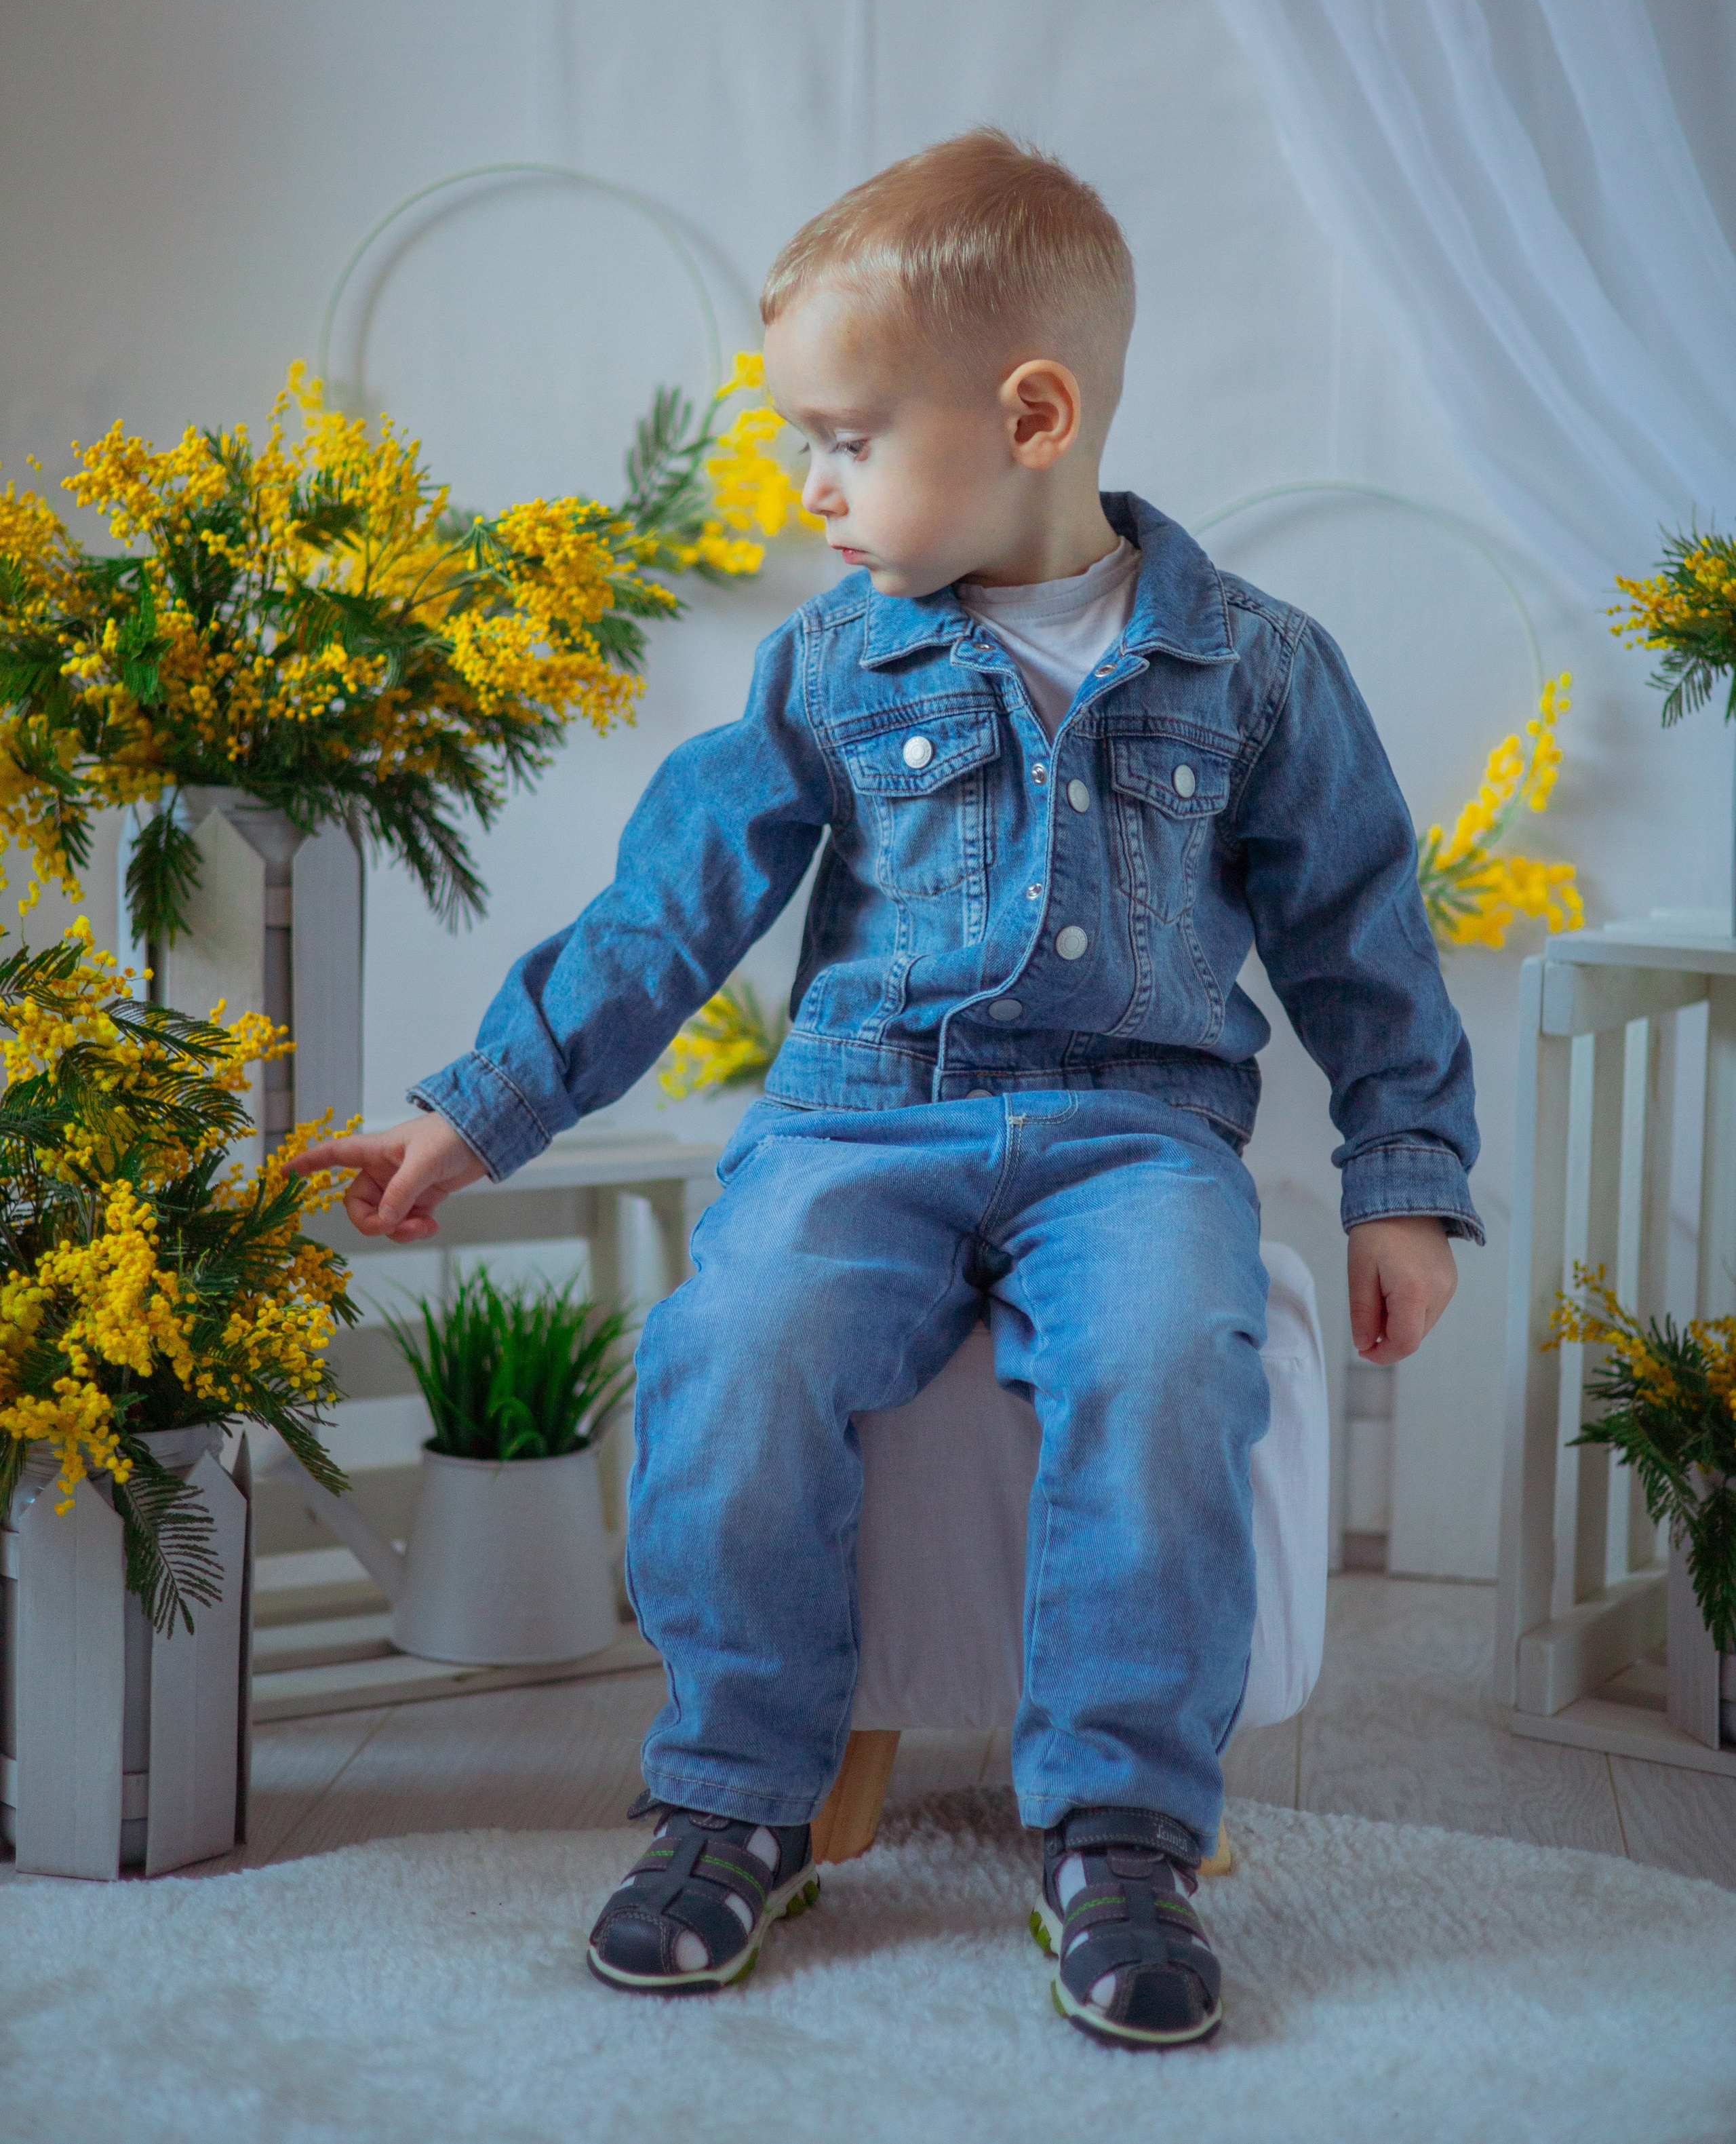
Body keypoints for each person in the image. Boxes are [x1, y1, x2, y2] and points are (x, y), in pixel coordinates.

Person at [295, 129, 1478, 2050]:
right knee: (736, 1342)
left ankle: (1122, 1827)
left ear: (1030, 412)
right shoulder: (827, 668)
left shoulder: (1257, 668)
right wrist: (480, 1104)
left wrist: (1400, 1181)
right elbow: (665, 911)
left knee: (1176, 1359)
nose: (810, 482)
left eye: (847, 437)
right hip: (860, 1119)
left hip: (1138, 1137)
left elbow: (1366, 936)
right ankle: (732, 1788)